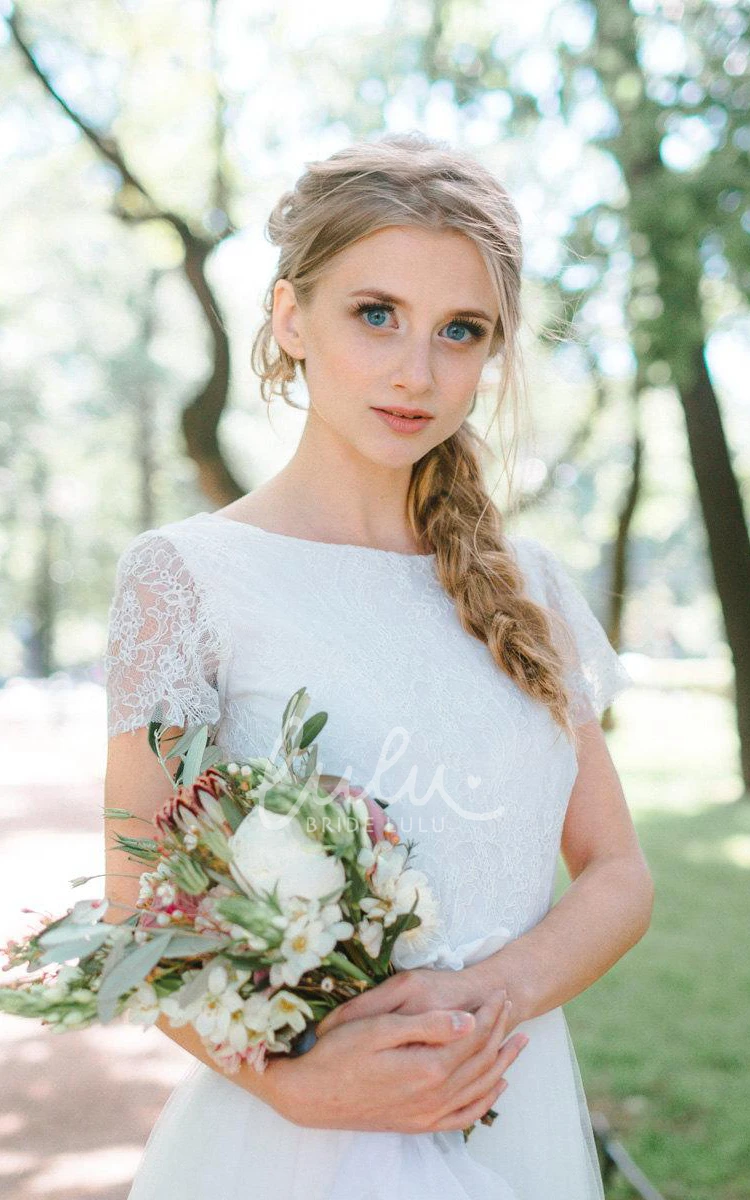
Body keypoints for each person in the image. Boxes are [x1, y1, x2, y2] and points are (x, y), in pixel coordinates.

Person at [103, 131, 653, 1200]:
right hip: (298, 1142)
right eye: (375, 315)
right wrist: (293, 1085)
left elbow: (618, 872)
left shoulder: (528, 587)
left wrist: (491, 995)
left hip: (510, 1103)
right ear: (287, 318)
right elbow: (138, 911)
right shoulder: (187, 578)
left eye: (461, 331)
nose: (417, 372)